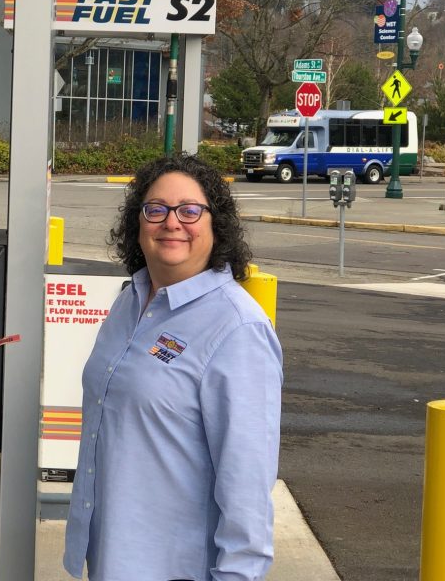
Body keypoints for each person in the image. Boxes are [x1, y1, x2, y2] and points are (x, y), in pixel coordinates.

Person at [64, 154, 283, 581]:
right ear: (138, 220)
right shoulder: (131, 301)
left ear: (215, 223)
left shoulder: (237, 329)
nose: (171, 222)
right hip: (112, 560)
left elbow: (247, 491)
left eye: (190, 210)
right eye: (156, 209)